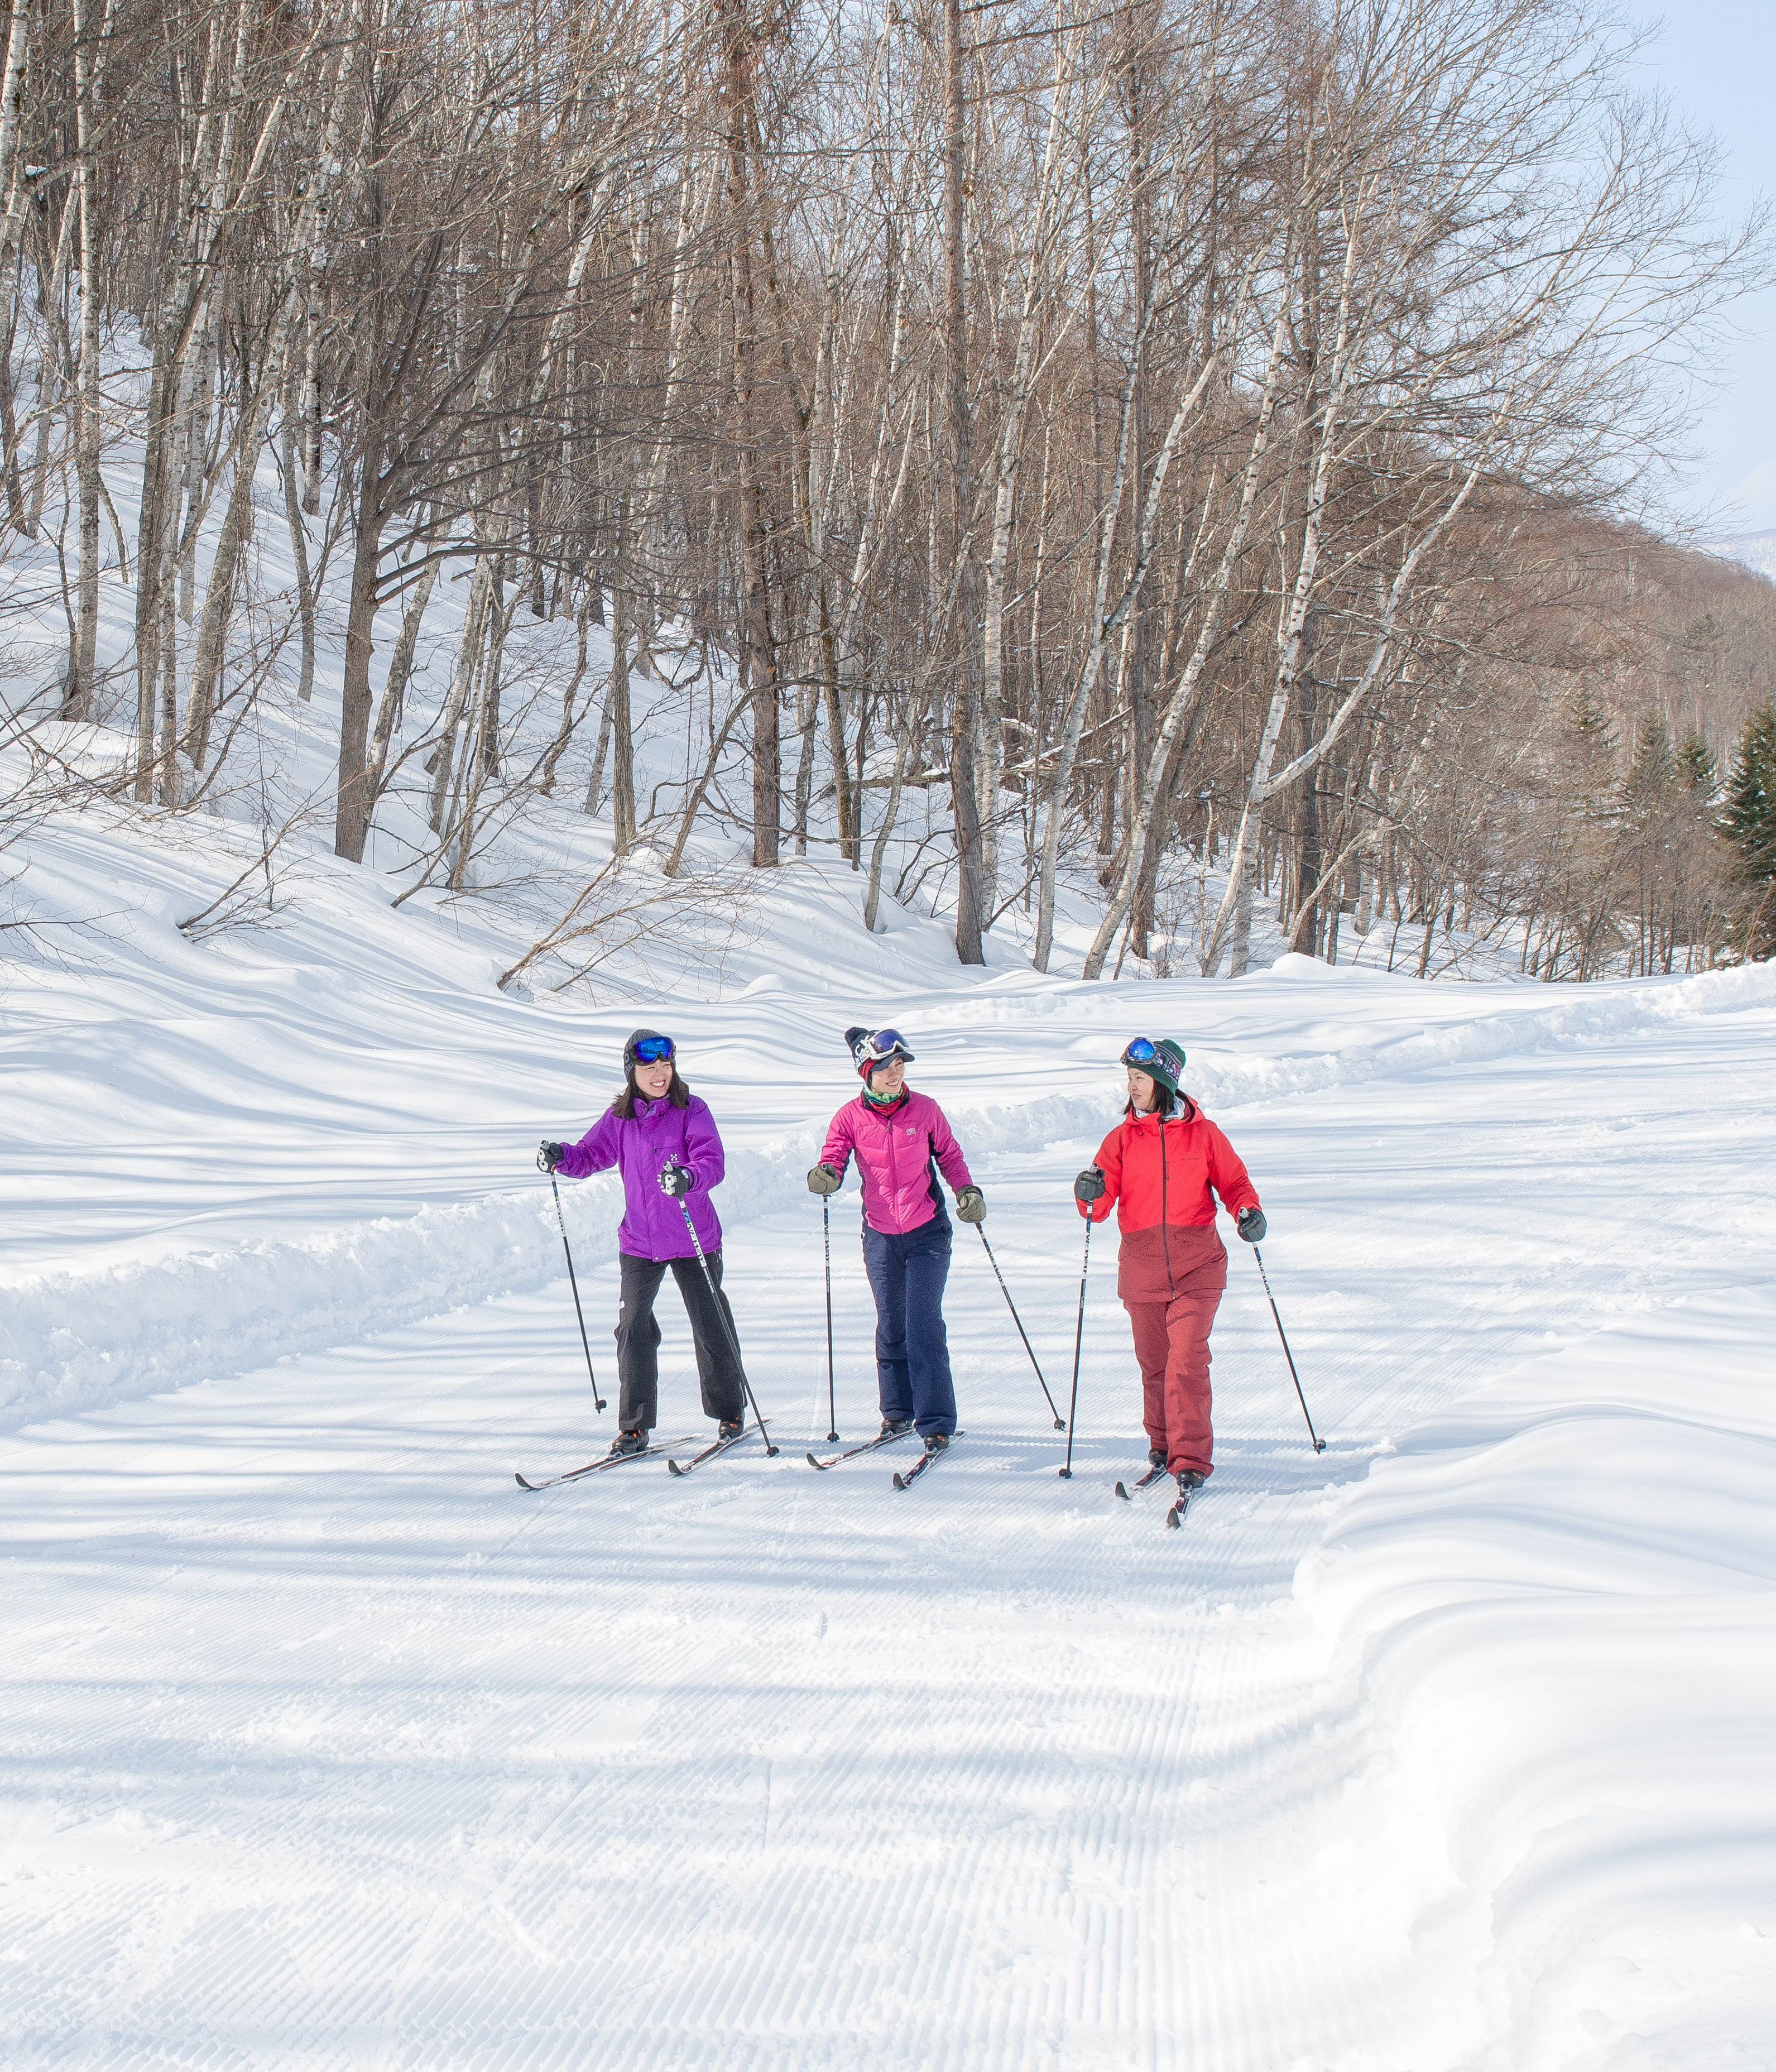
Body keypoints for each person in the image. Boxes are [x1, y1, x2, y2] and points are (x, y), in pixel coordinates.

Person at [538, 1029, 746, 1456]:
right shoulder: (620, 1118)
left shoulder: (692, 1110)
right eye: (650, 1067)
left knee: (710, 1324)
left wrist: (689, 1176)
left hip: (693, 1236)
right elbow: (590, 1154)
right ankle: (634, 1427)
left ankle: (730, 1413)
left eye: (666, 1066)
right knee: (633, 1329)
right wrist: (561, 1155)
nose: (659, 1074)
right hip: (640, 1241)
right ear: (632, 1071)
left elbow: (712, 1161)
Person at [1073, 1037, 1264, 1498]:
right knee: (1155, 1364)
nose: (1132, 1087)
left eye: (1139, 1079)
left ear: (1162, 1082)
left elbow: (1235, 1182)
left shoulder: (1205, 1135)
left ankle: (1191, 1457)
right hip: (1142, 1268)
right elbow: (1095, 1212)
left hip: (1197, 1265)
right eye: (1129, 1079)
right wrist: (1088, 1191)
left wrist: (1247, 1211)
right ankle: (1162, 1447)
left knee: (1186, 1361)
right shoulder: (1120, 1139)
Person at [807, 1027, 984, 1453]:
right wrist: (827, 1174)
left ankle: (937, 1420)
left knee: (922, 1325)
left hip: (927, 1231)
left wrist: (967, 1191)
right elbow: (834, 1154)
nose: (895, 1073)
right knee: (891, 1325)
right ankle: (897, 1414)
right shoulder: (850, 1117)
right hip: (882, 1235)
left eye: (900, 1065)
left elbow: (950, 1156)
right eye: (886, 1067)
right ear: (866, 1072)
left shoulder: (924, 1110)